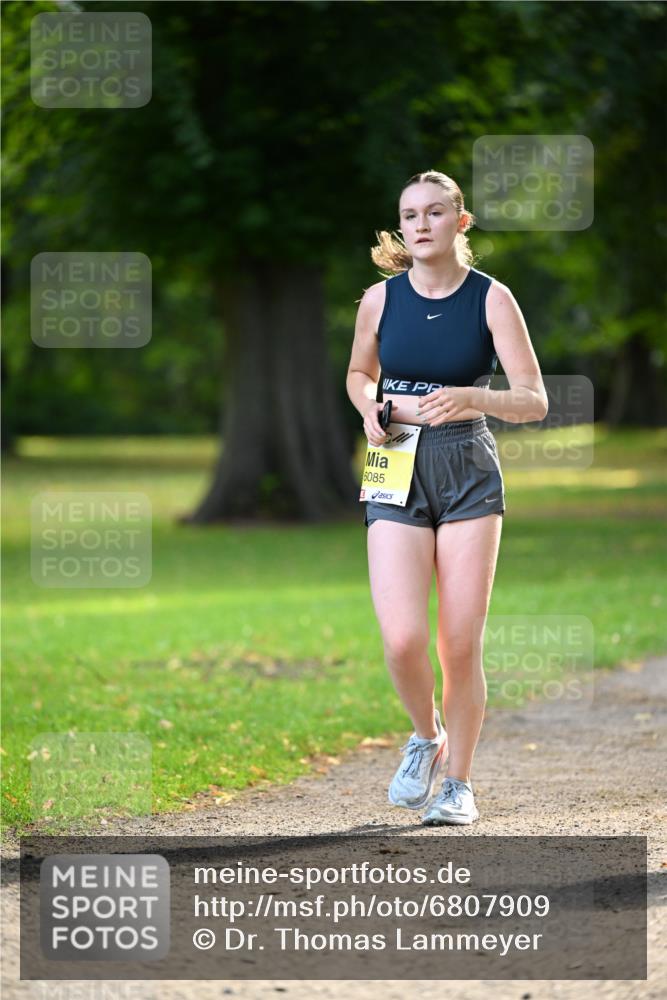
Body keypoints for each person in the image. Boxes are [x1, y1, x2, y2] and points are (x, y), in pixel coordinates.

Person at [345, 169, 548, 825]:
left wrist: (472, 396)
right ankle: (425, 736)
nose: (421, 224)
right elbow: (357, 372)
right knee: (402, 638)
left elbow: (533, 401)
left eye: (435, 212)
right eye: (410, 215)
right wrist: (367, 407)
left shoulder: (491, 299)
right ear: (401, 228)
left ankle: (458, 783)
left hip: (465, 462)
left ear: (460, 223)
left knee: (457, 644)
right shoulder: (378, 300)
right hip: (393, 456)